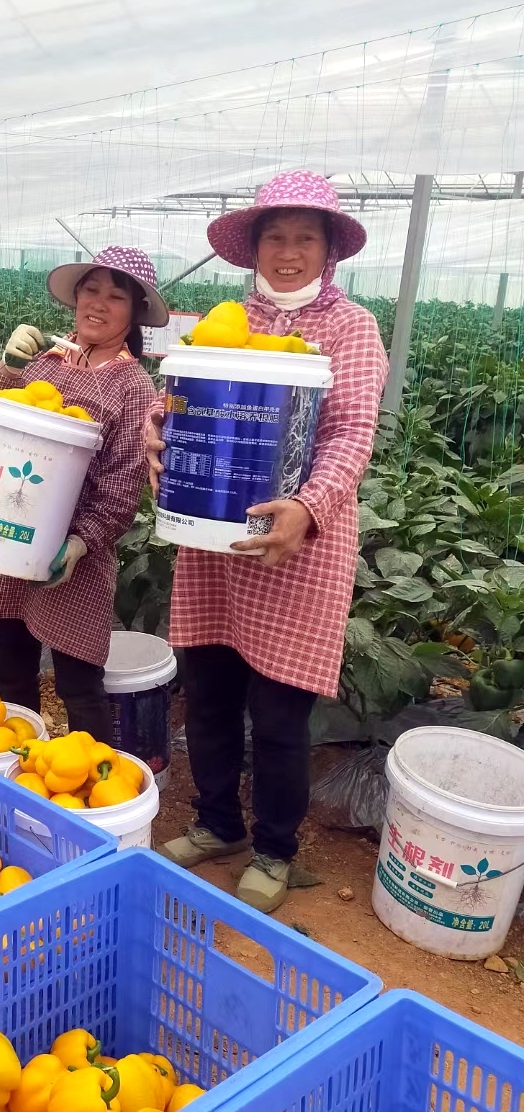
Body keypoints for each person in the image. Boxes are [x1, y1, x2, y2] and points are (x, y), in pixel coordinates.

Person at [150, 170, 389, 913]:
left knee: (281, 716)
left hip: (299, 546)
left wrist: (307, 507)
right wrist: (158, 435)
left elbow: (350, 433)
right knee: (209, 695)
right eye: (275, 237)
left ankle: (277, 850)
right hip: (214, 544)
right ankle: (218, 823)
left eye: (304, 239)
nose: (288, 253)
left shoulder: (351, 328)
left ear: (329, 251)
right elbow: (176, 402)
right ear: (253, 247)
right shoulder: (220, 320)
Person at [0, 247, 164, 741]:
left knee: (79, 683)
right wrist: (7, 370)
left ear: (134, 313)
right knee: (10, 671)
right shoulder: (42, 361)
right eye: (91, 290)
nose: (99, 303)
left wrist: (82, 540)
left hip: (72, 557)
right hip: (8, 536)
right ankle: (21, 763)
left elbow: (122, 482)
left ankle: (92, 774)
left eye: (116, 297)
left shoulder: (133, 386)